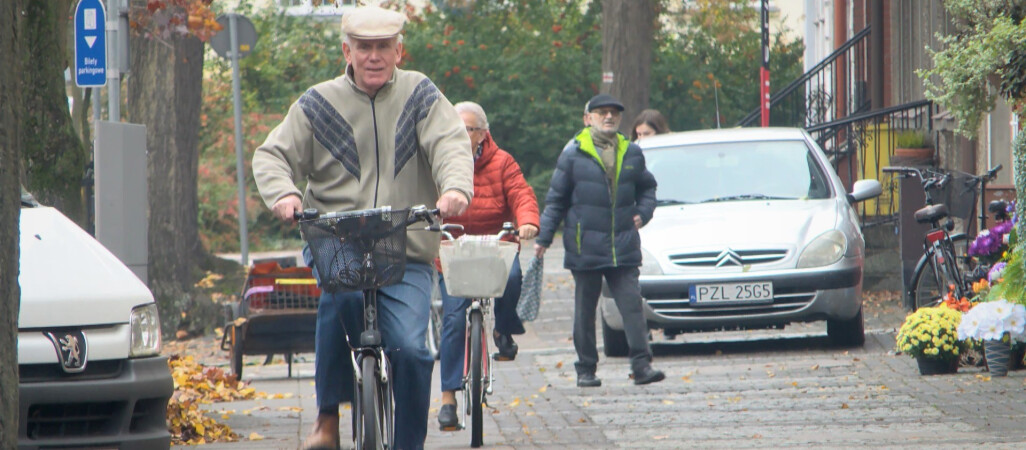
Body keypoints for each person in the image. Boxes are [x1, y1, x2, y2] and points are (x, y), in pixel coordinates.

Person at [251, 6, 474, 449]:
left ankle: (408, 443)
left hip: (405, 245)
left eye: (383, 48)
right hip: (337, 239)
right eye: (364, 48)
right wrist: (284, 194)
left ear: (399, 50)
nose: (374, 56)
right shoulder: (318, 102)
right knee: (340, 295)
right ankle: (327, 420)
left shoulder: (420, 96)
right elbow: (272, 155)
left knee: (413, 351)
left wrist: (454, 189)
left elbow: (451, 143)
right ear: (346, 51)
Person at [534, 93, 665, 388]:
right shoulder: (573, 154)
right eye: (602, 113)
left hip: (623, 245)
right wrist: (543, 238)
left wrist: (643, 213)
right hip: (585, 245)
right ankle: (585, 369)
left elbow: (648, 188)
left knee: (632, 306)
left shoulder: (631, 152)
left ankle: (642, 367)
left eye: (614, 114)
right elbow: (556, 200)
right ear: (588, 118)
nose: (609, 117)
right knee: (585, 310)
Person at [436, 101, 540, 430]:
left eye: (467, 129)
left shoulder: (502, 162)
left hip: (495, 245)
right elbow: (423, 196)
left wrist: (526, 223)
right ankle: (448, 399)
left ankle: (503, 330)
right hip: (454, 249)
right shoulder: (438, 161)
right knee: (453, 319)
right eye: (455, 128)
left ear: (483, 133)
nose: (460, 134)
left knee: (511, 278)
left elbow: (522, 194)